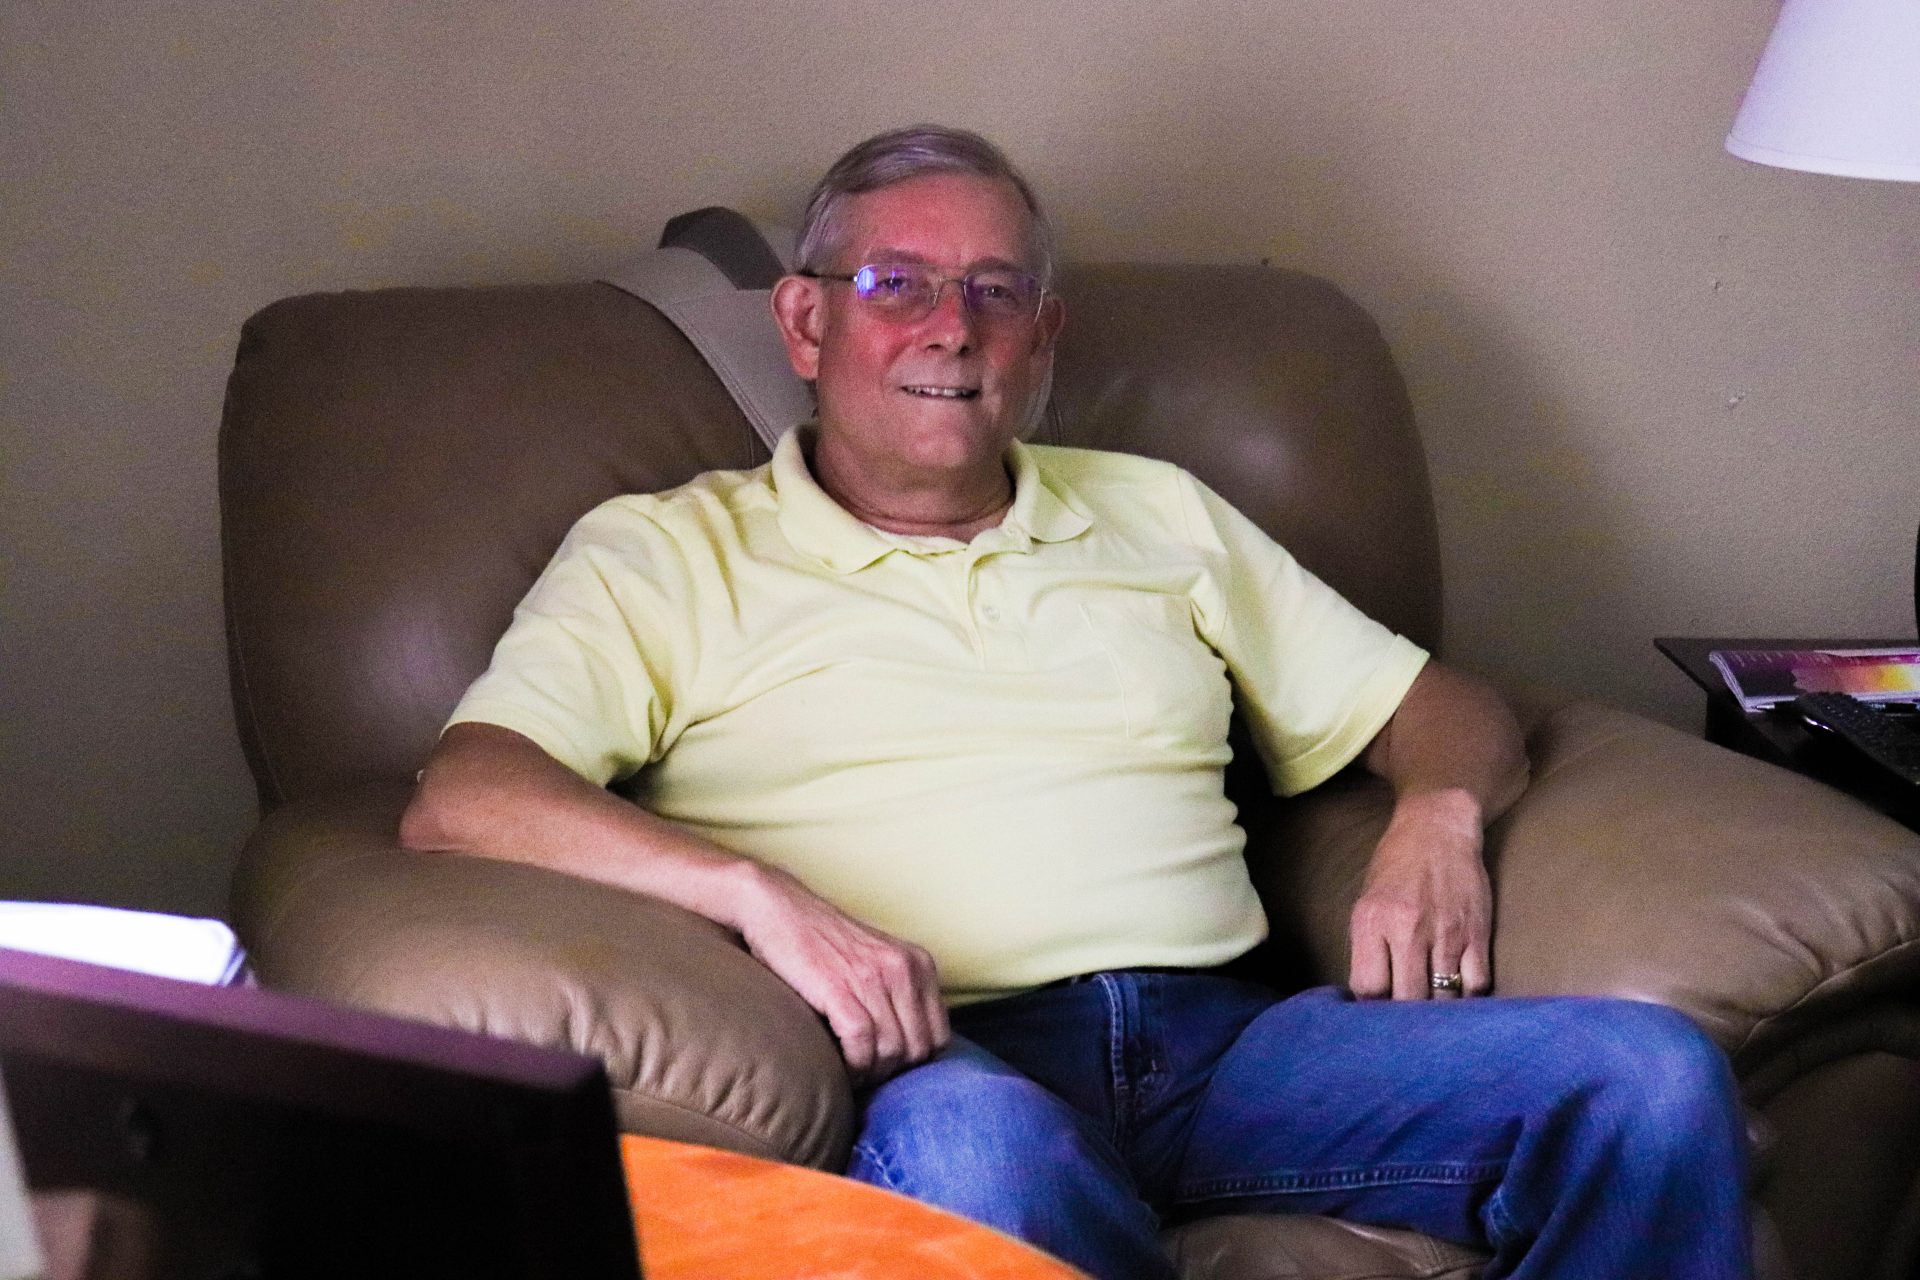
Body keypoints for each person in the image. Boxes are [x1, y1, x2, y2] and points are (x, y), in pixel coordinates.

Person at [399, 125, 1752, 1279]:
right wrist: (759, 899)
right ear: (805, 321)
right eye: (897, 284)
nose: (952, 326)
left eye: (996, 292)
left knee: (1645, 1077)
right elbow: (468, 793)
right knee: (987, 1159)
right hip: (949, 1059)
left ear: (1044, 337)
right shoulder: (668, 550)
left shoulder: (1157, 512)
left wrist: (1439, 815)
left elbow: (1440, 704)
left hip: (1239, 1051)